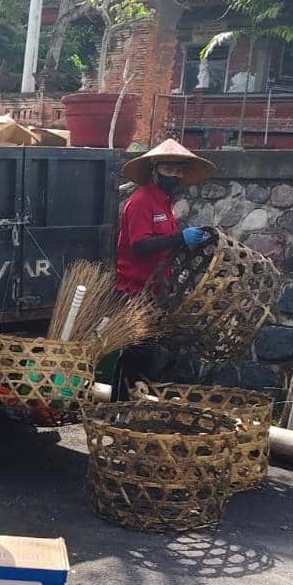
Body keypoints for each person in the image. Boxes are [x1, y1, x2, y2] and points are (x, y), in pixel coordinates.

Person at [112, 138, 215, 399]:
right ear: (155, 169)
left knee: (146, 359)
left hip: (156, 291)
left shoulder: (165, 204)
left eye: (179, 170)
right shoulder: (141, 201)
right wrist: (181, 238)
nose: (175, 175)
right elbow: (140, 246)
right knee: (134, 356)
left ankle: (130, 411)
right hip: (134, 292)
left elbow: (164, 246)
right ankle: (118, 411)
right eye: (169, 169)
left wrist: (192, 241)